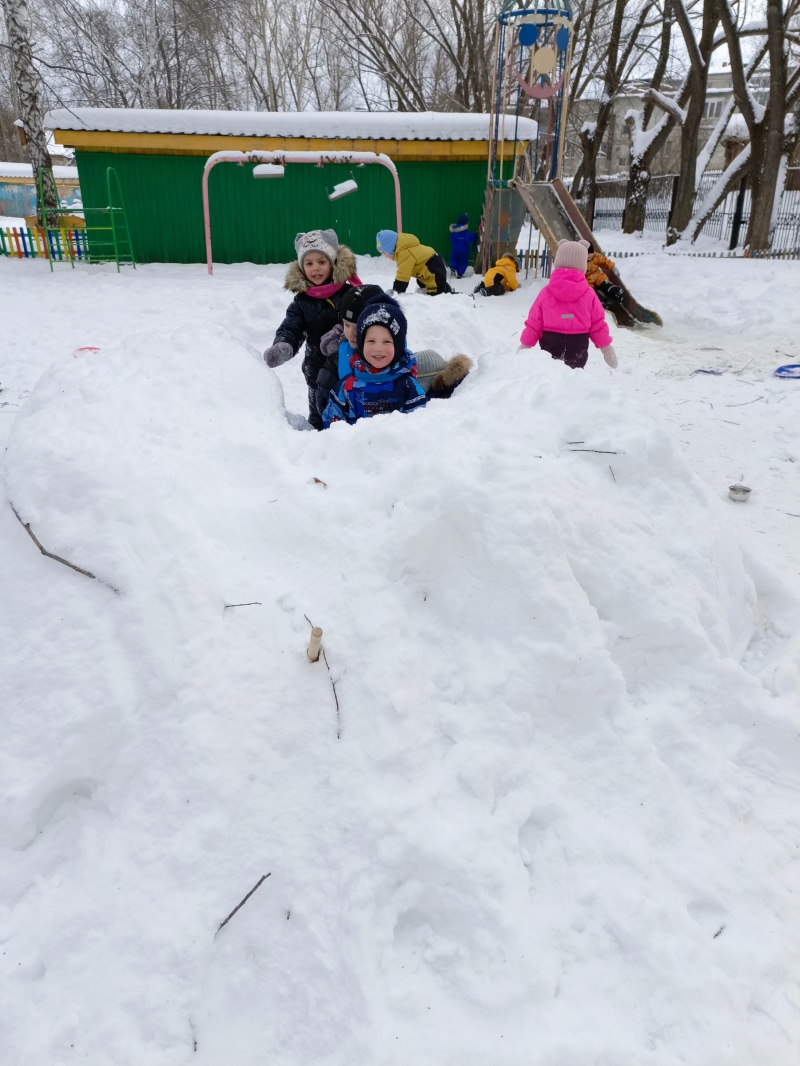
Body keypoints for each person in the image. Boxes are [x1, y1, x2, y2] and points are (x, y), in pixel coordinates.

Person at [263, 229, 361, 430]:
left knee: (349, 405)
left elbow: (360, 320)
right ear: (301, 267)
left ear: (333, 263)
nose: (315, 268)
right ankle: (317, 434)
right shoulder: (302, 302)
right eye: (309, 263)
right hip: (316, 368)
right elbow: (292, 326)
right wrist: (284, 344)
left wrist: (339, 335)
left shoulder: (348, 293)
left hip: (347, 365)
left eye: (321, 262)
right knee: (318, 411)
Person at [322, 295, 428, 426]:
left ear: (398, 347)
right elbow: (333, 421)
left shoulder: (407, 385)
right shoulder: (347, 386)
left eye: (386, 341)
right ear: (361, 344)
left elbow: (420, 424)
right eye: (371, 341)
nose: (378, 348)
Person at [519, 239, 617, 369]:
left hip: (550, 341)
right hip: (578, 343)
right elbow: (597, 324)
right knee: (574, 376)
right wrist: (606, 348)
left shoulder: (546, 292)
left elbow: (534, 322)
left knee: (550, 372)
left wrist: (524, 346)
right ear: (582, 264)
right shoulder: (589, 294)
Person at [319, 283, 386, 386]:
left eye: (358, 328)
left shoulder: (389, 353)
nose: (350, 334)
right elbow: (331, 373)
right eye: (347, 325)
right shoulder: (342, 347)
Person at [376, 230, 453, 295]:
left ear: (390, 247)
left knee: (435, 292)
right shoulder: (403, 249)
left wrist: (396, 291)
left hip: (433, 266)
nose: (385, 256)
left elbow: (403, 275)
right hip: (427, 269)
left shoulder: (404, 252)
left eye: (384, 253)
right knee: (426, 286)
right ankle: (447, 290)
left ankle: (448, 295)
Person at [586, 243, 626, 311]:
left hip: (597, 275)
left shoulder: (595, 256)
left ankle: (615, 292)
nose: (590, 255)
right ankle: (600, 302)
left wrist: (613, 267)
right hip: (586, 279)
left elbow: (604, 261)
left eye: (591, 253)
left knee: (604, 282)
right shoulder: (579, 260)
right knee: (590, 291)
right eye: (588, 254)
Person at [449, 214, 477, 278]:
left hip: (455, 248)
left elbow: (451, 239)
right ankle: (460, 273)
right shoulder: (465, 231)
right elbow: (469, 239)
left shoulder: (454, 230)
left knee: (454, 259)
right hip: (463, 249)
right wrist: (475, 235)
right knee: (463, 261)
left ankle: (453, 268)